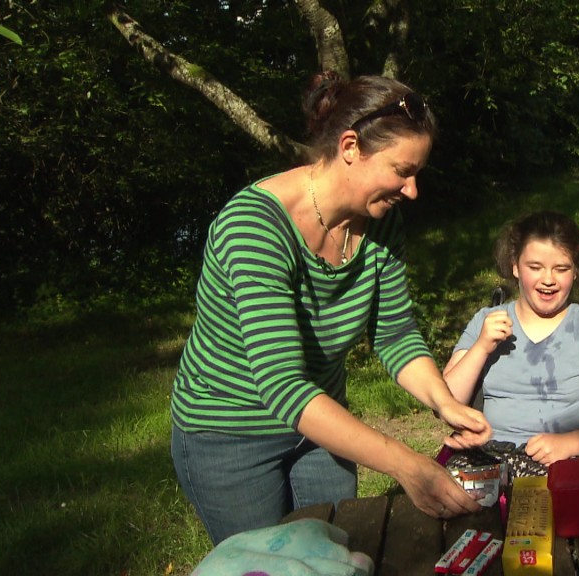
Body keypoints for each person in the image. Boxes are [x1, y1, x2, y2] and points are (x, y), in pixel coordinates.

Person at [170, 71, 492, 546]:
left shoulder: (381, 222)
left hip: (323, 426)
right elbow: (283, 388)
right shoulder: (255, 228)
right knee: (269, 559)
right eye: (402, 171)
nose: (412, 191)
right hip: (228, 436)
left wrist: (443, 401)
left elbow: (396, 334)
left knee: (339, 548)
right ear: (349, 148)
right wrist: (405, 463)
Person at [443, 211, 579, 468]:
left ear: (576, 271)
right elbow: (445, 403)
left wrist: (570, 443)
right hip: (486, 458)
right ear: (515, 266)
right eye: (535, 267)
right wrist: (480, 348)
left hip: (566, 463)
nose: (548, 280)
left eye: (561, 269)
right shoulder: (485, 322)